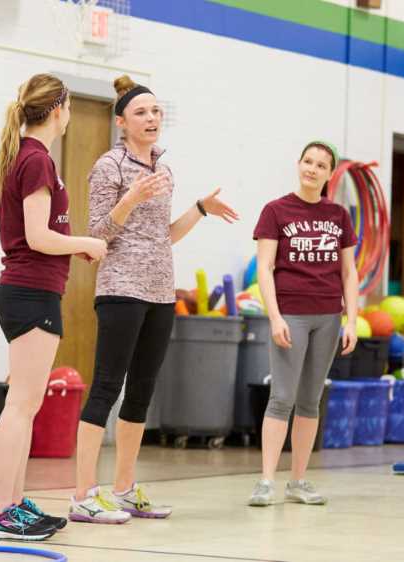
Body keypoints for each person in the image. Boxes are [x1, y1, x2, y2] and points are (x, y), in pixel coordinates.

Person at [69, 75, 239, 524]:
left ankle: (124, 489)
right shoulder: (109, 165)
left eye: (156, 111)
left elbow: (163, 238)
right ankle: (83, 494)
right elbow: (97, 234)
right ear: (121, 121)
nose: (151, 119)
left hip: (160, 293)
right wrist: (130, 198)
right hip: (120, 290)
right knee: (107, 387)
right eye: (141, 112)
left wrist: (199, 210)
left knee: (141, 393)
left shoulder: (164, 169)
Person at [0, 74, 107, 541]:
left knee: (26, 404)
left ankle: (12, 503)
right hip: (30, 291)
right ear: (58, 110)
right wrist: (85, 244)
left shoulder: (31, 157)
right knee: (21, 405)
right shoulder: (35, 160)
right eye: (69, 106)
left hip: (31, 290)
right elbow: (37, 236)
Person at [247, 141, 360, 507]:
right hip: (290, 314)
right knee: (281, 398)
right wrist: (275, 316)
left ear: (330, 174)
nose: (312, 169)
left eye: (320, 165)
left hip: (328, 315)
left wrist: (352, 321)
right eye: (307, 162)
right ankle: (266, 481)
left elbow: (348, 271)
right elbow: (265, 268)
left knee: (311, 401)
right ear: (298, 165)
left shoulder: (339, 215)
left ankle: (298, 481)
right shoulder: (275, 211)